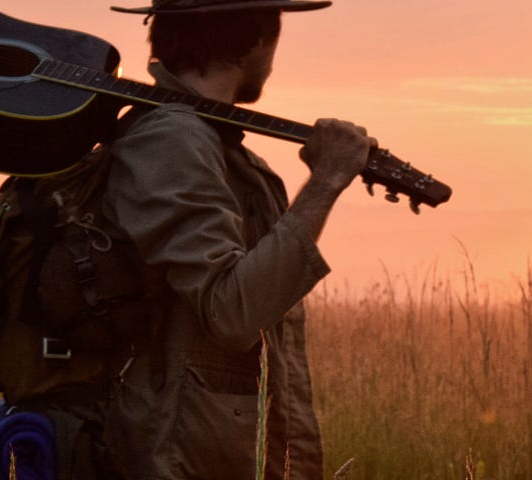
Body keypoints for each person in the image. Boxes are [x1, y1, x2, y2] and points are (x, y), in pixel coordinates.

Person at [58, 0, 369, 477]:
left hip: (205, 452)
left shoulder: (218, 147)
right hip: (172, 456)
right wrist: (325, 182)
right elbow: (232, 311)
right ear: (256, 40)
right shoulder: (170, 139)